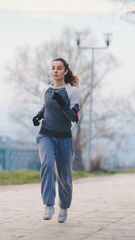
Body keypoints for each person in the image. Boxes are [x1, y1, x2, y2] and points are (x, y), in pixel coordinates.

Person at [32, 57, 80, 223]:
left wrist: (64, 105)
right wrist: (38, 116)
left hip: (64, 138)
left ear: (65, 71)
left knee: (64, 175)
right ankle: (48, 204)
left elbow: (74, 117)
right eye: (53, 68)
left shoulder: (72, 91)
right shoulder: (46, 90)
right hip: (46, 134)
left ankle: (64, 207)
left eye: (59, 68)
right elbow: (46, 107)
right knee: (46, 164)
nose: (55, 71)